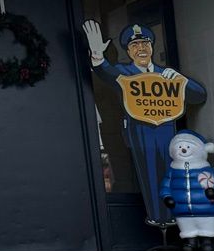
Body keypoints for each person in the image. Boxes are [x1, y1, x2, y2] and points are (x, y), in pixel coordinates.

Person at [83, 21, 206, 227]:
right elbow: (106, 72)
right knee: (149, 174)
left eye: (145, 44)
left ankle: (173, 217)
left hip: (166, 129)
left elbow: (198, 95)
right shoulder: (124, 71)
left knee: (170, 173)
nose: (141, 49)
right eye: (135, 45)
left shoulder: (165, 73)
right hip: (140, 131)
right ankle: (158, 218)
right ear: (128, 51)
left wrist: (181, 79)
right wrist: (97, 55)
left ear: (151, 47)